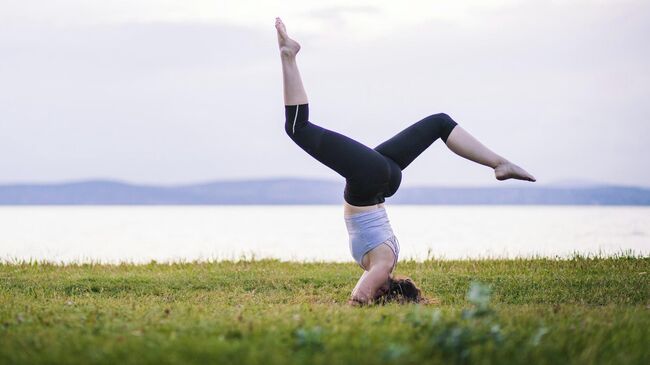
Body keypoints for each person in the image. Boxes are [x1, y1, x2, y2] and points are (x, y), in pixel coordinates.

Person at [275, 17, 536, 305]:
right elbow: (358, 300)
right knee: (298, 129)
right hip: (368, 182)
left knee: (439, 123)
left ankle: (499, 163)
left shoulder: (387, 259)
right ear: (386, 291)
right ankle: (289, 55)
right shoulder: (382, 266)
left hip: (386, 181)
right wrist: (354, 308)